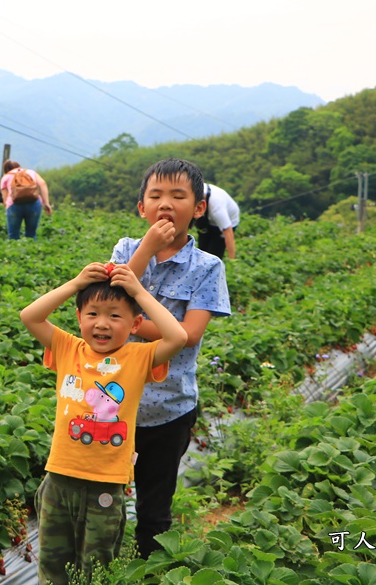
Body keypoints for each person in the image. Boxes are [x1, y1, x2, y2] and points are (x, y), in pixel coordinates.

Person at [20, 262, 188, 584]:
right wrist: (75, 283)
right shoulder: (69, 348)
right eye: (93, 313)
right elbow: (30, 316)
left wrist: (139, 291)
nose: (102, 324)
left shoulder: (137, 358)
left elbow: (178, 336)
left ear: (135, 323)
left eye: (115, 315)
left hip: (106, 484)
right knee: (53, 565)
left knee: (96, 567)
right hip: (59, 479)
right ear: (79, 318)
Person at [110, 157, 231, 559]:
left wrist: (131, 322)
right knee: (102, 496)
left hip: (170, 408)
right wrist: (146, 249)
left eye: (178, 196)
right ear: (141, 208)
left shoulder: (207, 266)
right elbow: (109, 309)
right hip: (111, 404)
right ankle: (96, 566)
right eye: (155, 195)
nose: (165, 203)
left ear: (198, 209)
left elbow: (188, 335)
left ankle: (148, 568)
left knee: (154, 506)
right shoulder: (127, 250)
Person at [0, 159, 53, 240]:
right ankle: (31, 251)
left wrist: (6, 206)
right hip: (34, 203)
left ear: (6, 170)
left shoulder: (6, 177)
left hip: (14, 205)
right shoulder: (31, 172)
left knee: (13, 236)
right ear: (19, 166)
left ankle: (14, 252)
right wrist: (46, 203)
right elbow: (42, 183)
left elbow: (5, 199)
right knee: (31, 234)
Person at [193, 182, 240, 259]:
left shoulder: (217, 209)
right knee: (201, 252)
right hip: (208, 218)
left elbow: (228, 232)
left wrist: (232, 259)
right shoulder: (196, 187)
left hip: (228, 222)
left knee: (213, 255)